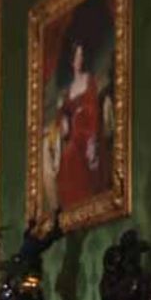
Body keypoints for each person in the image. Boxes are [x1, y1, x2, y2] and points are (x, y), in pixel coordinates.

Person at [55, 41, 105, 209]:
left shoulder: (88, 80)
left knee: (72, 155)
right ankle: (73, 204)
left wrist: (92, 140)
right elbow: (64, 114)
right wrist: (63, 117)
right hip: (75, 133)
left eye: (82, 56)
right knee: (67, 158)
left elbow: (93, 110)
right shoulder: (69, 90)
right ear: (72, 61)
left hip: (88, 129)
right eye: (77, 56)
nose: (80, 60)